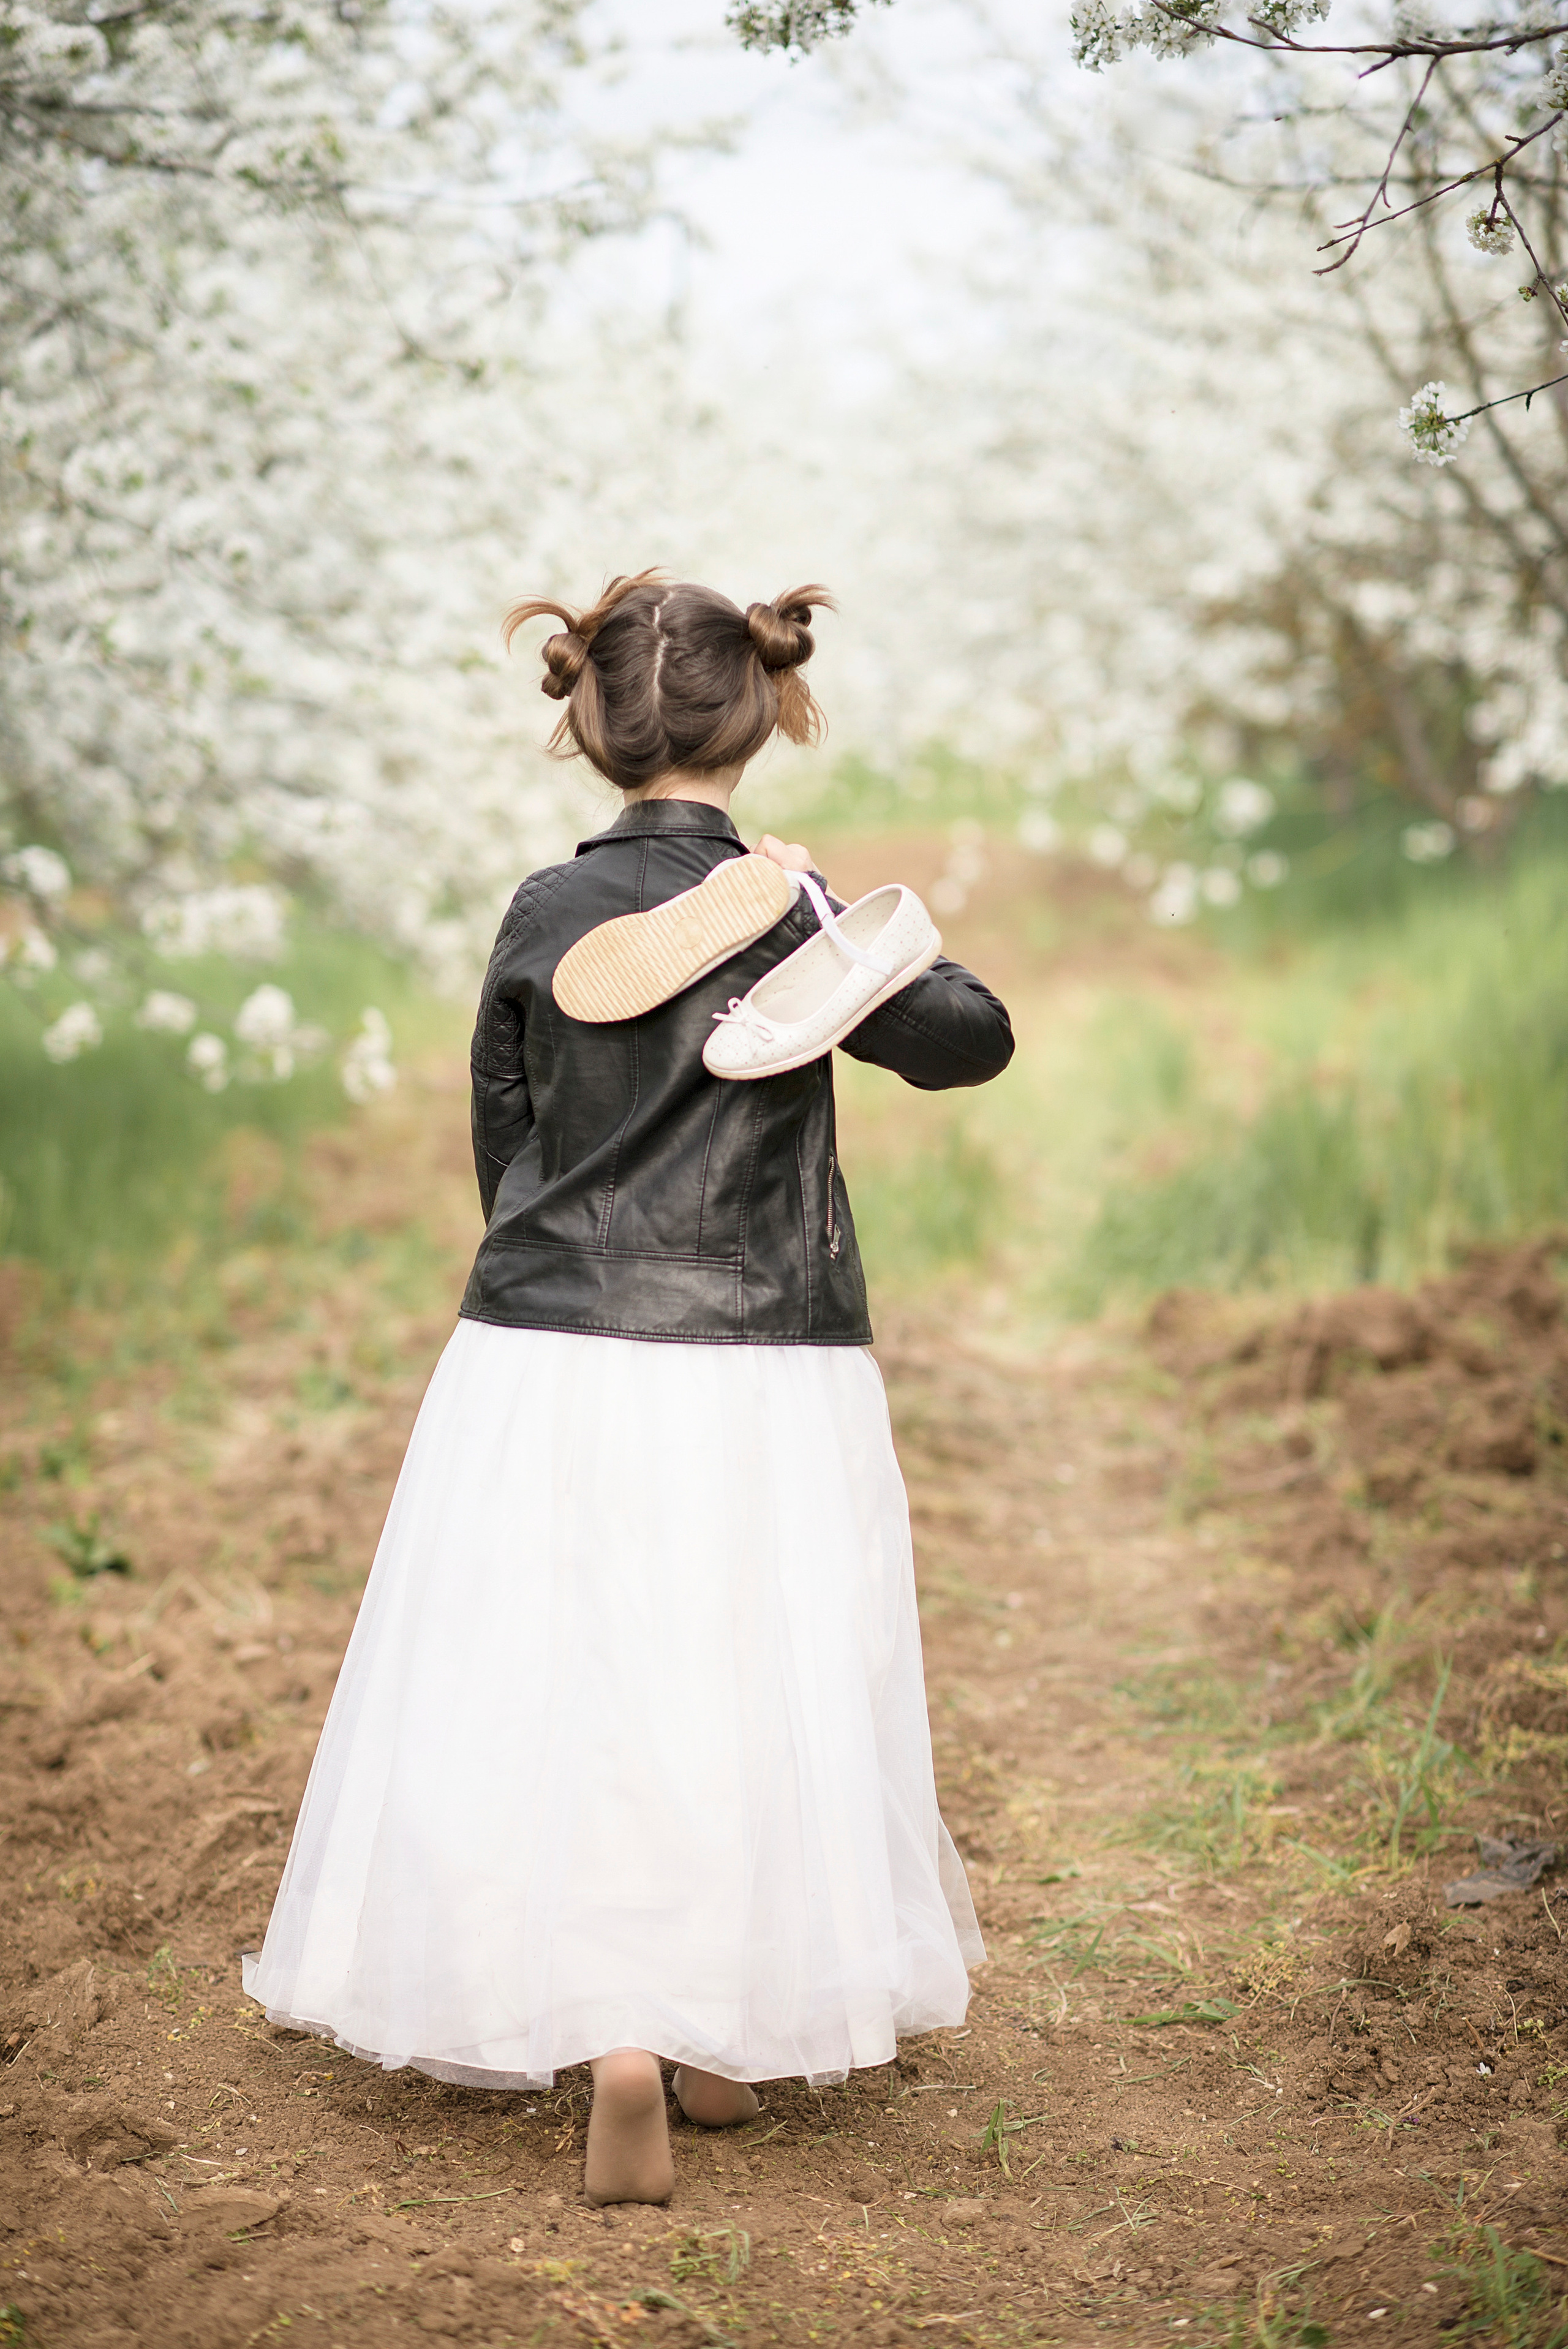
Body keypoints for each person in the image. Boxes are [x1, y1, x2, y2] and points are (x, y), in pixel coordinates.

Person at [243, 570, 1015, 2207]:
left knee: (566, 1669)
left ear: (588, 727)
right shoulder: (790, 908)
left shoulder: (542, 911)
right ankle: (715, 2020)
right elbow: (973, 1040)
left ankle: (609, 2037)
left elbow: (503, 1139)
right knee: (745, 1664)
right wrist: (838, 925)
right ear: (764, 717)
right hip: (760, 1350)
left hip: (544, 1344)